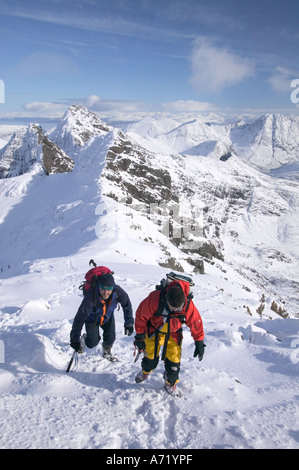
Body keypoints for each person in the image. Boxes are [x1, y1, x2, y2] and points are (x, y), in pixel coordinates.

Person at [134, 278, 205, 395]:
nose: (175, 310)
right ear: (166, 299)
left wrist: (199, 342)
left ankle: (170, 383)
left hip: (173, 334)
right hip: (153, 331)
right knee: (149, 359)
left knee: (174, 363)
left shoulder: (188, 305)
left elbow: (196, 323)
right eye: (172, 307)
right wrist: (140, 336)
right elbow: (141, 316)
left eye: (178, 308)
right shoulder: (155, 298)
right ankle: (145, 372)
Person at [70, 273, 134, 360]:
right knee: (92, 343)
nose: (106, 292)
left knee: (111, 337)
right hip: (92, 319)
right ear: (99, 287)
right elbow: (80, 318)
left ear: (113, 288)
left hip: (108, 316)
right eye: (103, 289)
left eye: (108, 290)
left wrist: (129, 323)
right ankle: (85, 339)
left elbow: (127, 305)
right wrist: (74, 339)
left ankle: (106, 351)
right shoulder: (91, 297)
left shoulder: (118, 291)